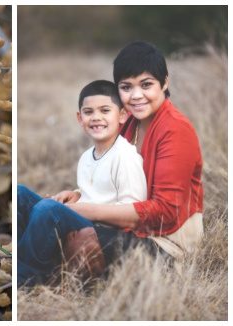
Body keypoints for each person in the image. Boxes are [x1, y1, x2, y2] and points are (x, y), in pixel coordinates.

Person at [68, 40, 203, 268]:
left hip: (166, 242)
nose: (136, 95)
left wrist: (86, 210)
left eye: (146, 84)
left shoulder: (176, 130)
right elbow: (112, 178)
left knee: (80, 239)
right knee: (33, 205)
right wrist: (77, 196)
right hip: (133, 229)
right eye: (126, 87)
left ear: (164, 83)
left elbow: (165, 211)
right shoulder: (127, 121)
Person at [17, 80, 148, 287]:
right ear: (80, 118)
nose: (96, 117)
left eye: (105, 110)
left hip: (106, 238)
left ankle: (25, 279)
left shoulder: (125, 157)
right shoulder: (87, 156)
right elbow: (96, 190)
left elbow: (133, 214)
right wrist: (76, 195)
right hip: (84, 225)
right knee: (19, 194)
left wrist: (76, 210)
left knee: (48, 209)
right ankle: (20, 259)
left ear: (123, 115)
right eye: (88, 112)